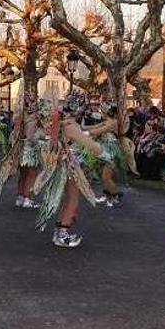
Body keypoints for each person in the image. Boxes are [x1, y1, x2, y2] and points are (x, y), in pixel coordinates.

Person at [31, 92, 112, 248]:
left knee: (68, 199)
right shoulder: (69, 125)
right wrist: (104, 153)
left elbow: (84, 133)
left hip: (63, 165)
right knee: (73, 200)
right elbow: (89, 144)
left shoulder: (62, 122)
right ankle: (62, 235)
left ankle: (60, 232)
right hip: (69, 167)